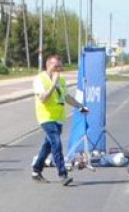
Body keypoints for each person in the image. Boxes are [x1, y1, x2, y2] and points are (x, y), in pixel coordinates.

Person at [32, 54, 88, 185]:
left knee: (47, 146)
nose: (58, 69)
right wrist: (53, 84)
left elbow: (66, 97)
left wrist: (80, 106)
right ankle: (63, 174)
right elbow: (43, 98)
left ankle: (36, 171)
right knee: (56, 143)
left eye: (60, 66)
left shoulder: (61, 81)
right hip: (46, 117)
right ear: (47, 65)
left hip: (58, 118)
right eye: (55, 66)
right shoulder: (40, 79)